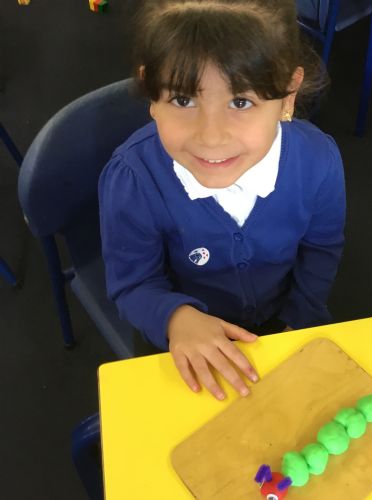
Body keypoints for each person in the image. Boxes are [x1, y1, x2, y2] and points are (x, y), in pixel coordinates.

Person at [99, 0, 346, 401]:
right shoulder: (133, 181)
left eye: (241, 102)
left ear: (288, 95)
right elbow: (134, 284)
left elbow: (321, 249)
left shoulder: (318, 161)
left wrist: (301, 318)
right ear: (151, 93)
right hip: (187, 338)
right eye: (183, 100)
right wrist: (176, 318)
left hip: (284, 324)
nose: (211, 137)